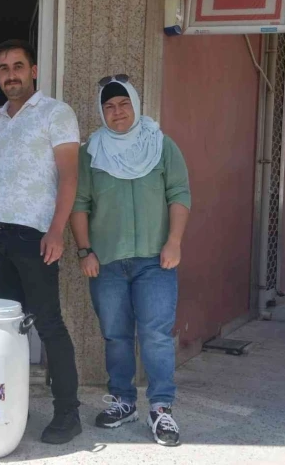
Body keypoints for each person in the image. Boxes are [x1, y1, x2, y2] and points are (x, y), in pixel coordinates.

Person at [0, 39, 82, 444]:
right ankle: (12, 406)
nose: (10, 74)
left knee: (48, 324)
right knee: (8, 328)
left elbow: (69, 177)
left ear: (33, 71)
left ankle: (68, 413)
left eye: (17, 66)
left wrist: (57, 230)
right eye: (3, 68)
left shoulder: (56, 113)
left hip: (35, 236)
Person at [69, 75, 191, 447]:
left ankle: (161, 408)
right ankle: (123, 402)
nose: (117, 112)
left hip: (156, 261)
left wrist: (174, 242)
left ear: (136, 106)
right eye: (109, 106)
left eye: (123, 104)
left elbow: (179, 193)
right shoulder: (91, 153)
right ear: (101, 112)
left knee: (156, 336)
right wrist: (85, 250)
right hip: (106, 263)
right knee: (116, 336)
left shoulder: (161, 145)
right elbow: (79, 204)